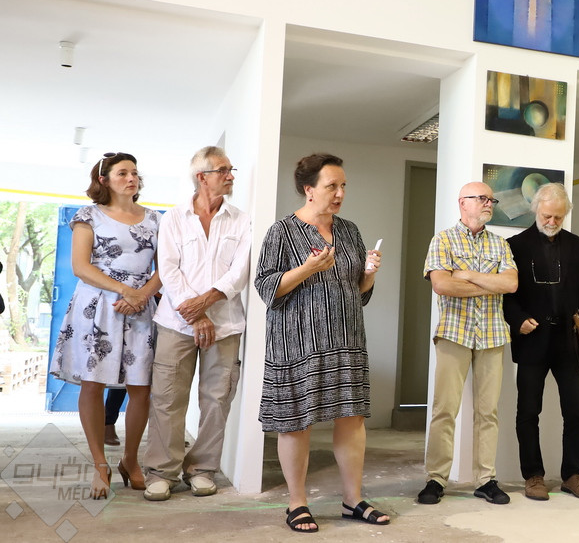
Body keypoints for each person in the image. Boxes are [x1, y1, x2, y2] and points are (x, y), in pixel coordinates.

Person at [254, 154, 388, 532]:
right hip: (298, 342)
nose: (340, 193)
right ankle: (297, 503)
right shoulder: (281, 232)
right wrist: (307, 268)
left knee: (352, 418)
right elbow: (266, 287)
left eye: (343, 186)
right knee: (297, 421)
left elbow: (358, 291)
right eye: (332, 186)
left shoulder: (349, 231)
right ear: (309, 189)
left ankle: (353, 499)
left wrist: (370, 274)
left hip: (346, 338)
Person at [49, 152, 161, 499]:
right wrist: (125, 290)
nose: (132, 178)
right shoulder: (89, 215)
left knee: (141, 387)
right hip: (98, 306)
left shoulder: (156, 219)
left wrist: (141, 294)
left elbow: (166, 268)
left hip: (140, 307)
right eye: (123, 173)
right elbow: (81, 267)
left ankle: (130, 460)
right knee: (93, 384)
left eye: (135, 173)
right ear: (104, 179)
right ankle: (100, 465)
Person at [144, 146, 251, 501]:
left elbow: (239, 272)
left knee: (217, 400)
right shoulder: (173, 219)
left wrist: (205, 304)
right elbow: (168, 270)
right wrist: (197, 314)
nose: (230, 176)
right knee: (168, 398)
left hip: (226, 325)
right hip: (176, 323)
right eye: (223, 170)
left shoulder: (242, 220)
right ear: (201, 176)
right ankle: (162, 471)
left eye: (231, 170)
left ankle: (203, 469)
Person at [503, 183, 579, 502]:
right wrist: (519, 320)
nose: (552, 221)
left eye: (558, 217)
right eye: (547, 215)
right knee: (527, 411)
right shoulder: (514, 245)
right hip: (532, 340)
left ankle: (573, 475)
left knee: (577, 410)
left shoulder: (578, 246)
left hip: (568, 341)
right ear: (535, 209)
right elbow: (506, 296)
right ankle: (533, 476)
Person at [418, 181, 518, 507]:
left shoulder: (500, 244)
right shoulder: (443, 239)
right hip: (454, 333)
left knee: (488, 412)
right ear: (463, 203)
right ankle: (436, 479)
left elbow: (511, 283)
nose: (489, 203)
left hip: (492, 335)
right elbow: (442, 285)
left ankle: (486, 480)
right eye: (482, 198)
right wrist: (489, 284)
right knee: (444, 410)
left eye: (492, 200)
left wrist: (466, 275)